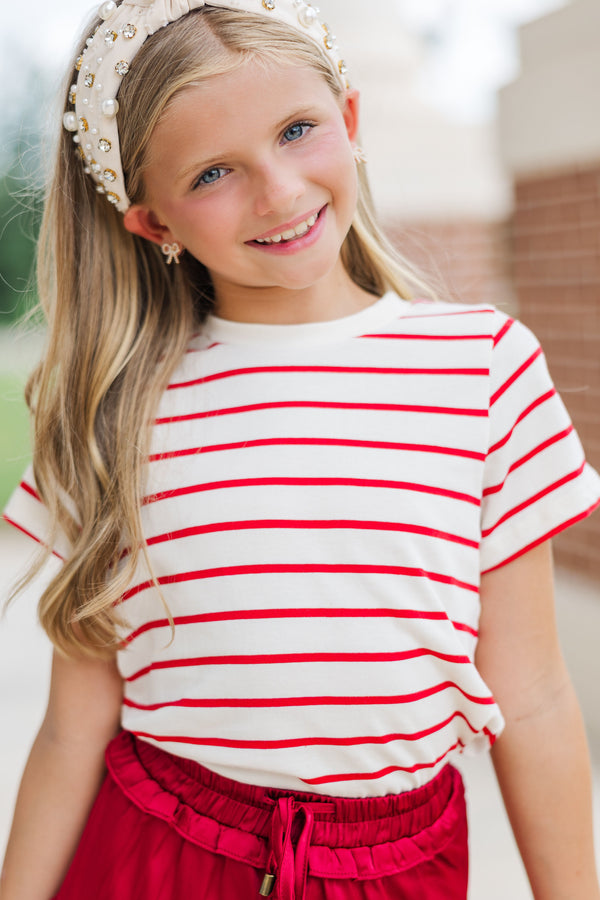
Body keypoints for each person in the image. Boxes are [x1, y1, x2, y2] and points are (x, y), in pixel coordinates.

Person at [1, 0, 599, 897]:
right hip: (157, 855)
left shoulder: (481, 367)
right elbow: (71, 727)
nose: (278, 191)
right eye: (212, 174)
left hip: (399, 866)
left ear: (350, 122)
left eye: (296, 130)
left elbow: (538, 694)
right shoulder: (116, 407)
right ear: (154, 224)